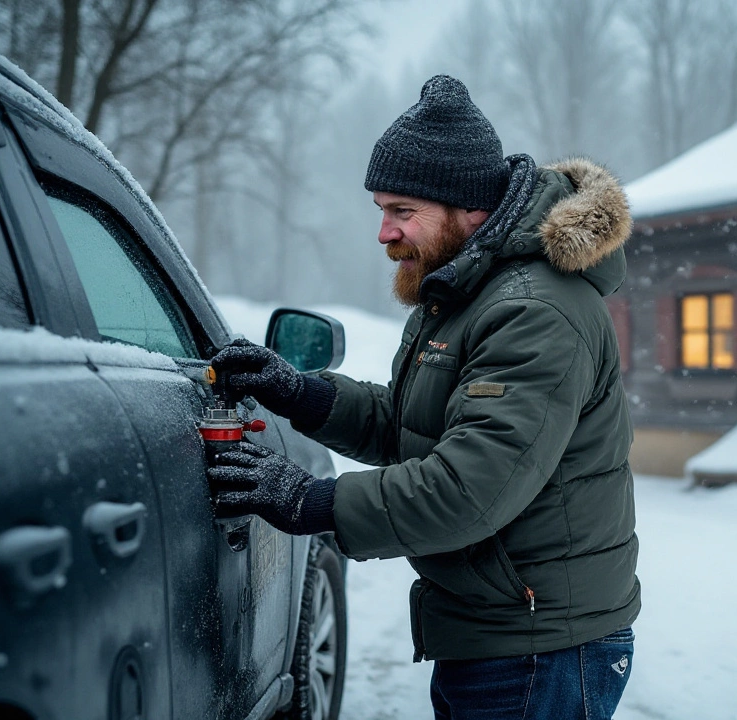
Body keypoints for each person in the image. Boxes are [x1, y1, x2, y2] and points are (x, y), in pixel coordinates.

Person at [206, 74, 640, 720]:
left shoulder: (534, 310)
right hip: (505, 630)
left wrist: (307, 499)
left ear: (473, 211)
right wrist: (298, 393)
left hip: (539, 650)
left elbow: (470, 487)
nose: (383, 233)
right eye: (381, 210)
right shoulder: (467, 291)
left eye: (401, 211)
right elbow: (416, 426)